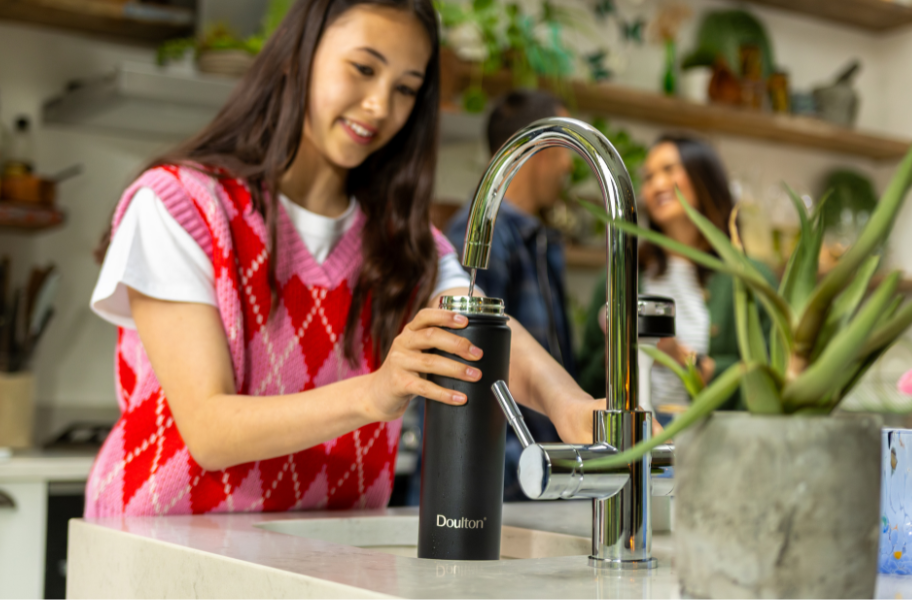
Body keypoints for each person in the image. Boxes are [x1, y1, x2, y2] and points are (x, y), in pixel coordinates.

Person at [85, 0, 607, 518]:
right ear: (299, 56)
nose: (381, 105)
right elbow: (208, 430)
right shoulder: (181, 204)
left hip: (324, 555)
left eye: (405, 88)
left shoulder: (403, 243)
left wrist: (571, 406)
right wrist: (373, 394)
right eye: (363, 68)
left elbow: (484, 331)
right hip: (161, 549)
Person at [576, 135, 776, 427]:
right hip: (635, 446)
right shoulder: (619, 276)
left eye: (669, 170)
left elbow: (772, 377)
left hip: (715, 448)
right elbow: (584, 383)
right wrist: (618, 350)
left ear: (704, 177)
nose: (656, 185)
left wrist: (683, 360)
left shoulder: (750, 279)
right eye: (648, 177)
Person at [445, 90, 575, 500]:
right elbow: (473, 366)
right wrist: (515, 472)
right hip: (501, 486)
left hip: (533, 477)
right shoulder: (483, 233)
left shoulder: (537, 240)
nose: (571, 163)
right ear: (537, 151)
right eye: (564, 148)